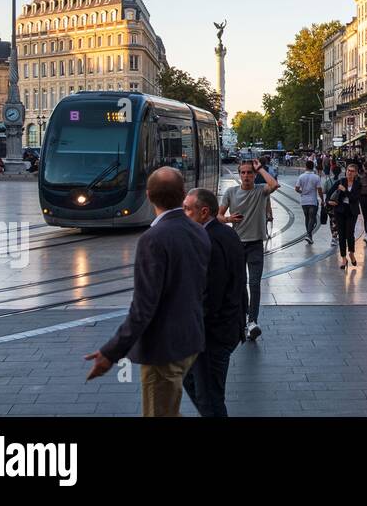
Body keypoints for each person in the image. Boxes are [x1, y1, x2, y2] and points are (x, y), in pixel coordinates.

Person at [84, 168, 210, 416]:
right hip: (190, 339)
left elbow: (143, 307)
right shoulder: (199, 230)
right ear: (183, 194)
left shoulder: (154, 238)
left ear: (148, 195)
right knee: (168, 409)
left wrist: (111, 352)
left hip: (163, 348)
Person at [180, 187, 247, 417]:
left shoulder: (208, 240)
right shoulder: (226, 233)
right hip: (225, 327)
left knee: (210, 398)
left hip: (213, 334)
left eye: (187, 209)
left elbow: (210, 294)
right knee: (194, 383)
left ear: (204, 212)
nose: (183, 213)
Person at [219, 157, 281, 341]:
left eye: (249, 173)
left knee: (254, 284)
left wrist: (260, 168)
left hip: (255, 244)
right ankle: (244, 317)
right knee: (240, 284)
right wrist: (229, 220)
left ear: (254, 175)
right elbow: (219, 215)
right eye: (243, 173)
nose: (246, 176)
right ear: (239, 175)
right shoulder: (230, 192)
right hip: (236, 245)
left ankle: (252, 321)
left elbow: (274, 184)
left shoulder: (261, 191)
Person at [328, 163, 361, 267]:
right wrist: (329, 202)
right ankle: (343, 258)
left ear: (355, 173)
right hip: (340, 211)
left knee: (350, 233)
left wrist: (345, 190)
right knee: (341, 234)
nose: (349, 172)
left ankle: (351, 253)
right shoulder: (341, 182)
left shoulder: (358, 184)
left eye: (352, 171)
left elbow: (354, 198)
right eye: (348, 170)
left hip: (352, 211)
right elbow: (329, 194)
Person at [294, 159, 324, 245]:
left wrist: (302, 192)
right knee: (312, 218)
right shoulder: (316, 177)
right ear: (313, 167)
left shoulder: (301, 176)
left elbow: (296, 188)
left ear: (306, 167)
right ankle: (309, 235)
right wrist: (322, 199)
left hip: (304, 201)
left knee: (307, 218)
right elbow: (319, 189)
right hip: (312, 200)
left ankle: (309, 235)